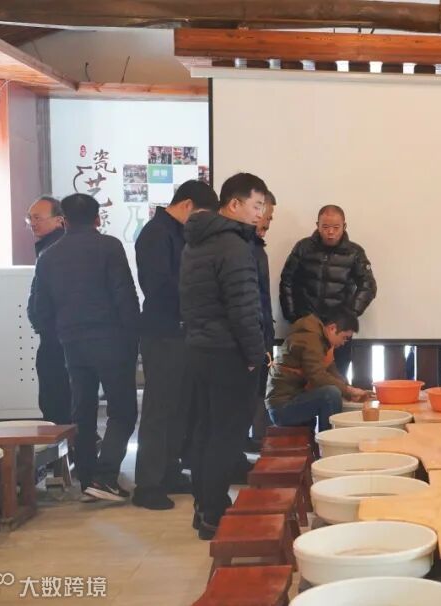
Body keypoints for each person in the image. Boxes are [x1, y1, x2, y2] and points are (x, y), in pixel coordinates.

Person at [29, 194, 140, 502]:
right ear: (97, 218)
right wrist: (134, 337)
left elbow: (39, 309)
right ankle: (105, 477)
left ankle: (88, 479)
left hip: (71, 344)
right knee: (123, 410)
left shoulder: (48, 255)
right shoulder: (109, 247)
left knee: (83, 411)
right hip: (111, 340)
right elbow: (125, 295)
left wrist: (59, 334)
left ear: (64, 219)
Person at [180, 173, 267, 539]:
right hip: (229, 352)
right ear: (234, 204)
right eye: (256, 205)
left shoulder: (196, 242)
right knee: (226, 436)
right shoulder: (234, 245)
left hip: (199, 348)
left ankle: (204, 507)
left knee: (205, 430)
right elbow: (243, 309)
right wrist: (256, 355)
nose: (260, 214)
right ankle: (215, 514)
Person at [132, 180, 218, 510]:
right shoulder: (156, 234)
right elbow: (159, 286)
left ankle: (169, 471)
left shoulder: (179, 233)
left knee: (180, 407)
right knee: (160, 409)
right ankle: (147, 484)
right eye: (201, 215)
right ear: (186, 205)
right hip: (163, 332)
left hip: (183, 332)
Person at [280, 204, 377, 378]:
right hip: (307, 325)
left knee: (337, 377)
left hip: (339, 329)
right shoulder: (303, 248)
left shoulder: (355, 253)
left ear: (344, 226)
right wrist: (293, 316)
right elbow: (287, 280)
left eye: (336, 227)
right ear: (317, 226)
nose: (330, 232)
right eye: (325, 227)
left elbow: (368, 286)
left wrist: (348, 316)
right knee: (304, 377)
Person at [266, 310, 371, 431]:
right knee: (330, 394)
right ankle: (328, 440)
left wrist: (349, 391)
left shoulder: (321, 339)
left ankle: (330, 437)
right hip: (281, 407)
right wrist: (348, 390)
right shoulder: (310, 338)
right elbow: (317, 376)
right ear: (332, 328)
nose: (343, 343)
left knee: (334, 392)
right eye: (344, 338)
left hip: (294, 399)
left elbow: (332, 373)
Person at [25, 196, 70, 425]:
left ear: (59, 220)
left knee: (56, 395)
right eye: (29, 218)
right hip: (55, 332)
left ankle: (63, 440)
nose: (32, 223)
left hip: (58, 334)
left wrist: (40, 320)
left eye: (38, 218)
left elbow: (52, 295)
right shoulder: (49, 246)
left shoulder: (57, 248)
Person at [248, 190, 277, 451]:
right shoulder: (242, 249)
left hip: (262, 330)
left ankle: (256, 438)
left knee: (260, 389)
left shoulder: (258, 248)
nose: (267, 222)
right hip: (249, 334)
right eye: (266, 215)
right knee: (246, 394)